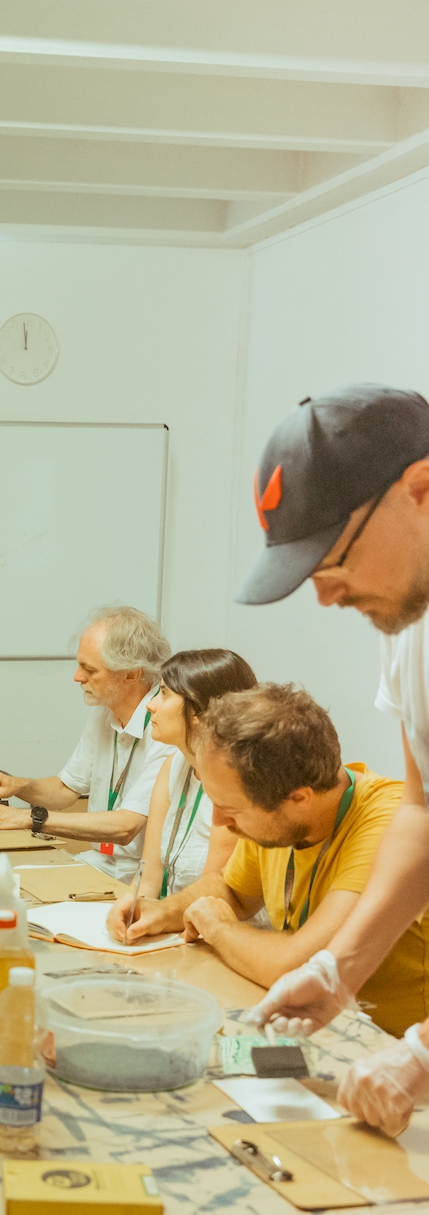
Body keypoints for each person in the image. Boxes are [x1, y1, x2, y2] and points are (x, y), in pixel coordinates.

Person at [233, 384, 429, 1132]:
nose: (325, 596)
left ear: (421, 490)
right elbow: (421, 813)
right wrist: (337, 969)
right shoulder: (409, 630)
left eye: (333, 557)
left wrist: (421, 1055)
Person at [111, 684, 429, 1039]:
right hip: (315, 1022)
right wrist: (162, 912)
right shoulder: (279, 817)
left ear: (299, 799)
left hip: (393, 1046)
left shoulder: (390, 824)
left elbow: (298, 965)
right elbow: (232, 890)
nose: (218, 822)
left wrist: (217, 928)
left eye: (230, 810)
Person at [0, 606, 172, 879]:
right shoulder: (104, 708)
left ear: (131, 674)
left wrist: (28, 819)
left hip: (144, 879)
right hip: (101, 862)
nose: (77, 677)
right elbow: (65, 789)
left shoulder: (166, 723)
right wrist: (17, 785)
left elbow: (126, 827)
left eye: (89, 669)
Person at [108, 647, 256, 927]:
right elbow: (149, 875)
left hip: (219, 932)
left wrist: (157, 919)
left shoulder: (239, 781)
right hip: (172, 925)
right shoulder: (173, 765)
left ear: (201, 710)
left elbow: (214, 896)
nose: (151, 704)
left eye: (163, 694)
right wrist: (128, 908)